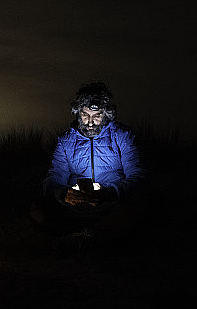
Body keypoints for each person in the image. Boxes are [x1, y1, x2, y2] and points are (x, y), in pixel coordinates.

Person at [31, 82, 146, 253]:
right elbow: (55, 175)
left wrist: (111, 192)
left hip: (110, 202)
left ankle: (85, 238)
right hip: (75, 205)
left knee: (143, 201)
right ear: (78, 113)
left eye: (97, 115)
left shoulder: (122, 135)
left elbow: (137, 173)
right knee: (38, 206)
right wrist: (62, 194)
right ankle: (95, 236)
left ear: (106, 114)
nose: (90, 122)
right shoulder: (65, 140)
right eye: (85, 115)